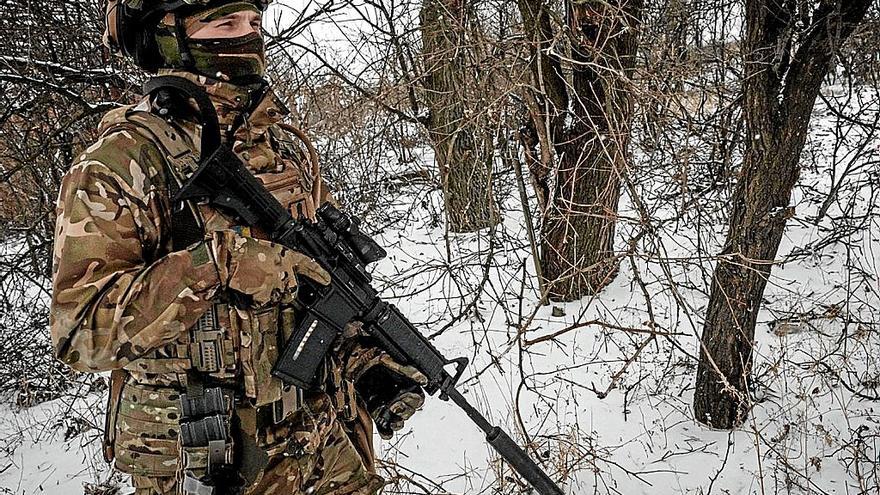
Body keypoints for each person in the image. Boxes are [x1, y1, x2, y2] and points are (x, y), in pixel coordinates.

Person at [49, 1, 425, 493]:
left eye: (253, 23)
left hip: (322, 446)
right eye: (225, 23)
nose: (247, 37)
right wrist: (216, 265)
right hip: (209, 457)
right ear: (167, 37)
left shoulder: (282, 149)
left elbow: (321, 291)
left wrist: (368, 364)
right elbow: (80, 334)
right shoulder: (121, 164)